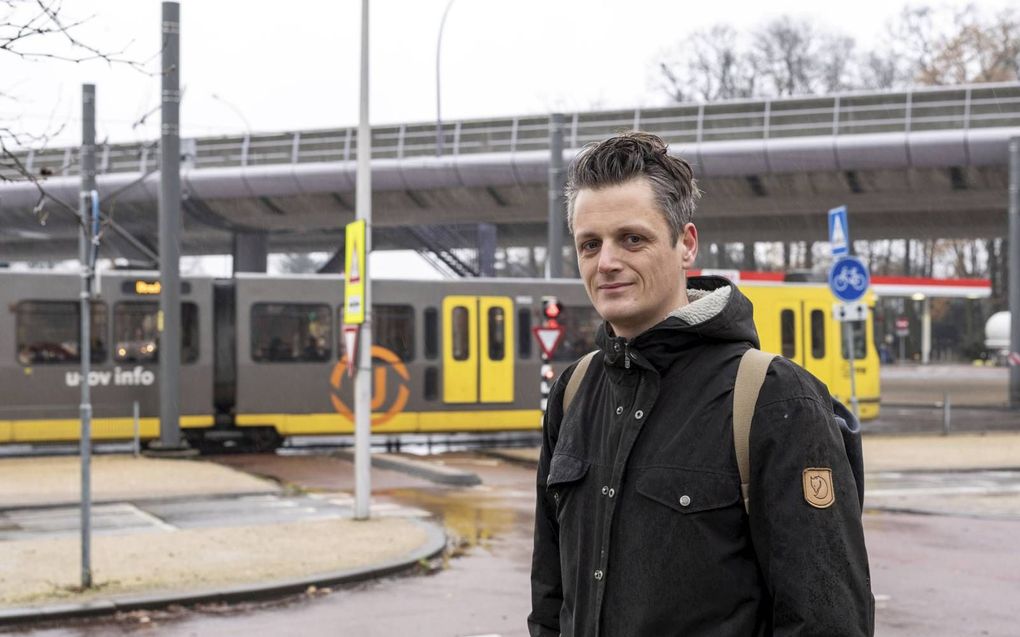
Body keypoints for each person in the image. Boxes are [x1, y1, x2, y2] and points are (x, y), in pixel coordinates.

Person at [528, 132, 874, 636]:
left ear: (685, 243)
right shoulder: (574, 392)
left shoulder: (773, 397)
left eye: (632, 238)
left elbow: (827, 620)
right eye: (590, 244)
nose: (606, 262)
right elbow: (550, 596)